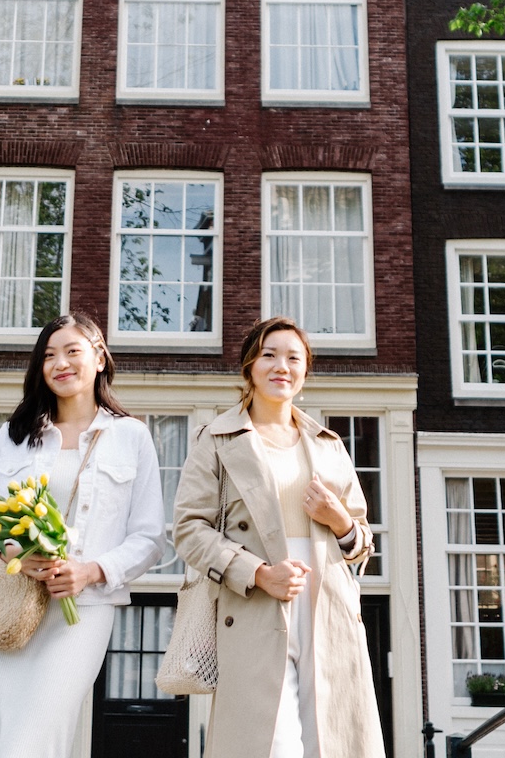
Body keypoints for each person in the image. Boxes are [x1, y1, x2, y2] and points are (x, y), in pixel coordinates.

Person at [0, 311, 164, 758]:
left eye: (72, 351)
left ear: (100, 358)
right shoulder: (15, 437)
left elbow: (148, 538)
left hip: (81, 615)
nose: (60, 363)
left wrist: (90, 571)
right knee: (12, 741)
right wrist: (12, 553)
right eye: (48, 355)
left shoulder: (131, 437)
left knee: (30, 744)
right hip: (12, 609)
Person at [173, 316, 385, 758]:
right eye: (269, 355)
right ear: (250, 366)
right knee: (270, 744)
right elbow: (189, 530)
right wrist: (258, 573)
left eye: (293, 358)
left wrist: (340, 519)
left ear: (305, 373)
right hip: (255, 602)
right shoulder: (215, 439)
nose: (280, 366)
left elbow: (362, 543)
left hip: (328, 605)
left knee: (332, 741)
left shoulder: (328, 445)